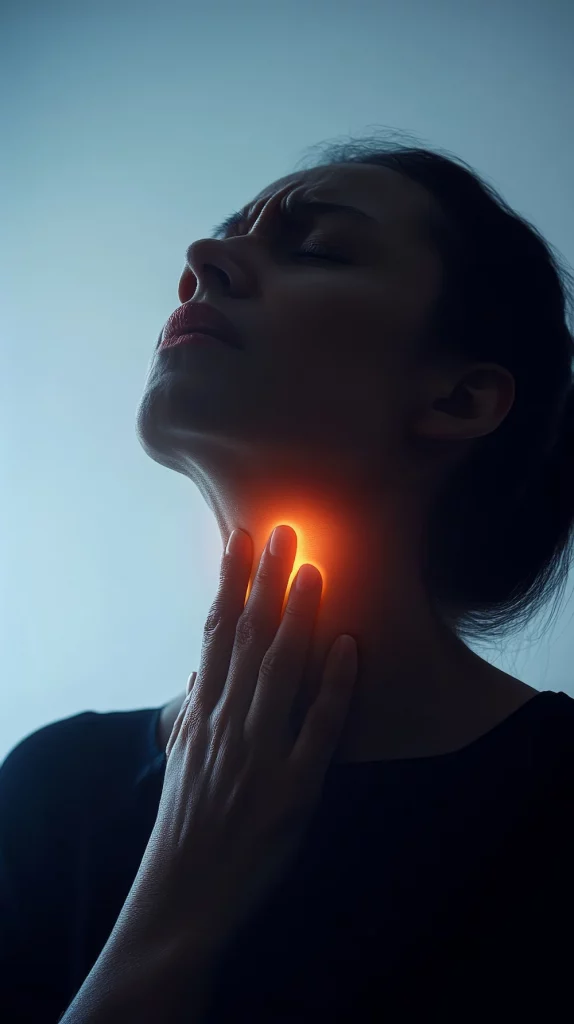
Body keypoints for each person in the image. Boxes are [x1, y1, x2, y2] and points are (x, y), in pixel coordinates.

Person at [2, 131, 574, 1022]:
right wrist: (183, 889)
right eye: (225, 234)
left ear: (460, 399)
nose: (201, 260)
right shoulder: (52, 787)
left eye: (317, 247)